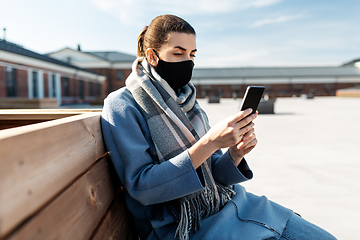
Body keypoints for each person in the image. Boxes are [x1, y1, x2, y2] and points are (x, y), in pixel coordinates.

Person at [101, 14, 337, 240]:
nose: (188, 62)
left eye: (193, 54)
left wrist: (235, 153)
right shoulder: (122, 105)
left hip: (227, 203)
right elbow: (143, 187)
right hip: (181, 224)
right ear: (152, 56)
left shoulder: (186, 100)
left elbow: (215, 174)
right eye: (178, 53)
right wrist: (210, 142)